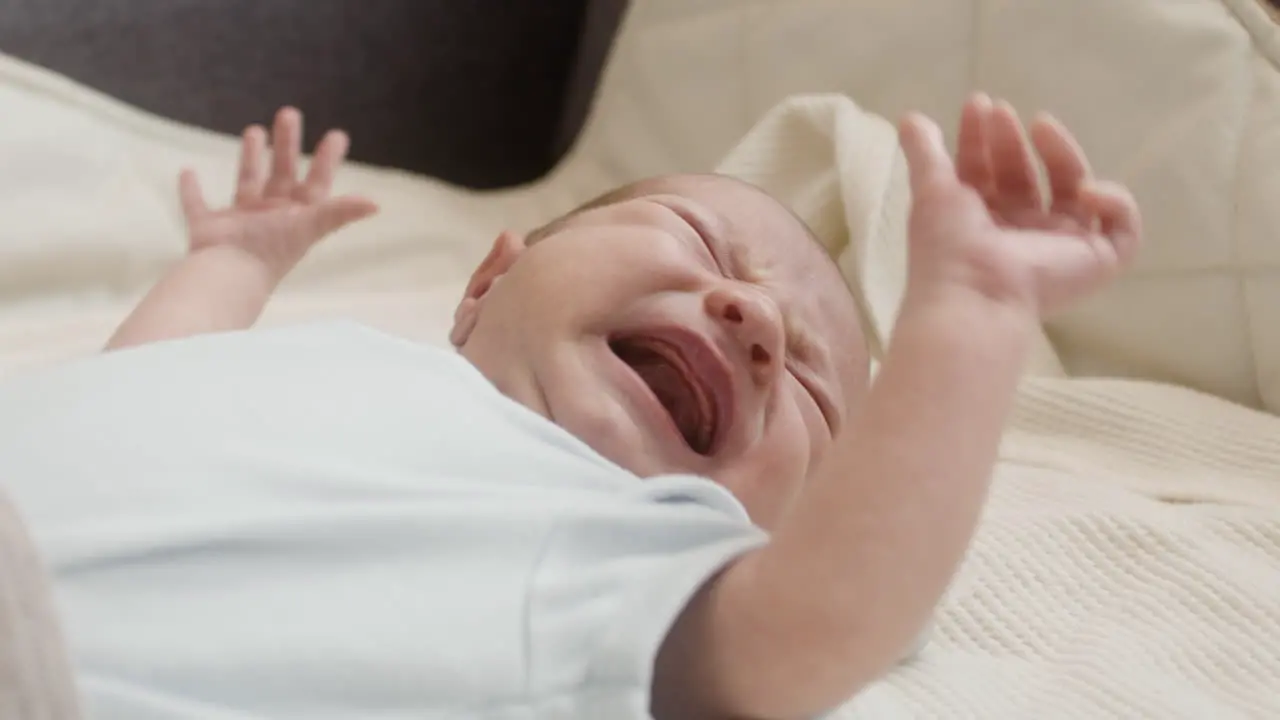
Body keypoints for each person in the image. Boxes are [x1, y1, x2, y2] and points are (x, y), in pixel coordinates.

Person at [0, 96, 1140, 720]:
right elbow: (142, 380)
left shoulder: (623, 552)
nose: (748, 317)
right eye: (703, 243)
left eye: (805, 383)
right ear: (487, 281)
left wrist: (972, 317)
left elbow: (821, 625)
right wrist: (238, 263)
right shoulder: (346, 361)